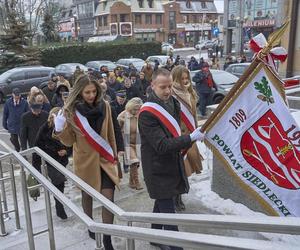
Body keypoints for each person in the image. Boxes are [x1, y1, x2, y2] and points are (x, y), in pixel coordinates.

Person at [53, 75, 124, 248]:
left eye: (94, 91)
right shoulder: (71, 111)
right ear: (79, 92)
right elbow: (69, 142)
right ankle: (90, 224)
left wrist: (120, 149)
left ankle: (107, 238)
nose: (91, 95)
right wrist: (59, 128)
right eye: (87, 92)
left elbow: (114, 128)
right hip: (85, 160)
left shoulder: (106, 106)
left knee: (108, 199)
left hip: (105, 159)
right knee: (88, 195)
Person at [138, 68, 205, 250]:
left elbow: (175, 131)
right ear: (152, 86)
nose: (167, 91)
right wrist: (190, 138)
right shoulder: (147, 113)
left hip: (171, 163)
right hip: (157, 169)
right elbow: (162, 145)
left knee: (161, 204)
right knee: (170, 216)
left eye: (169, 86)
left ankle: (154, 237)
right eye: (162, 87)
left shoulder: (173, 102)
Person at [171, 66, 203, 211]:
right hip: (177, 136)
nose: (184, 81)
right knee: (177, 169)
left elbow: (194, 115)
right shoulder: (171, 94)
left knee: (185, 170)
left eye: (186, 78)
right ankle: (174, 197)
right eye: (181, 78)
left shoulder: (190, 92)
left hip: (189, 135)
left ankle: (178, 197)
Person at [33, 107, 71, 220]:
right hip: (49, 161)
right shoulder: (45, 128)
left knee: (60, 184)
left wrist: (66, 151)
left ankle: (59, 206)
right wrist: (35, 168)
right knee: (59, 182)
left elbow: (72, 144)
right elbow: (37, 147)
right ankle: (60, 208)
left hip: (62, 161)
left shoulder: (66, 127)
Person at [117, 98, 144, 190]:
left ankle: (130, 182)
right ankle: (137, 182)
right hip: (127, 142)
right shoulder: (123, 115)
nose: (136, 111)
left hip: (138, 142)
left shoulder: (141, 114)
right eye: (135, 109)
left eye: (138, 109)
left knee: (135, 164)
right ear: (130, 107)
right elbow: (116, 130)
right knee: (134, 161)